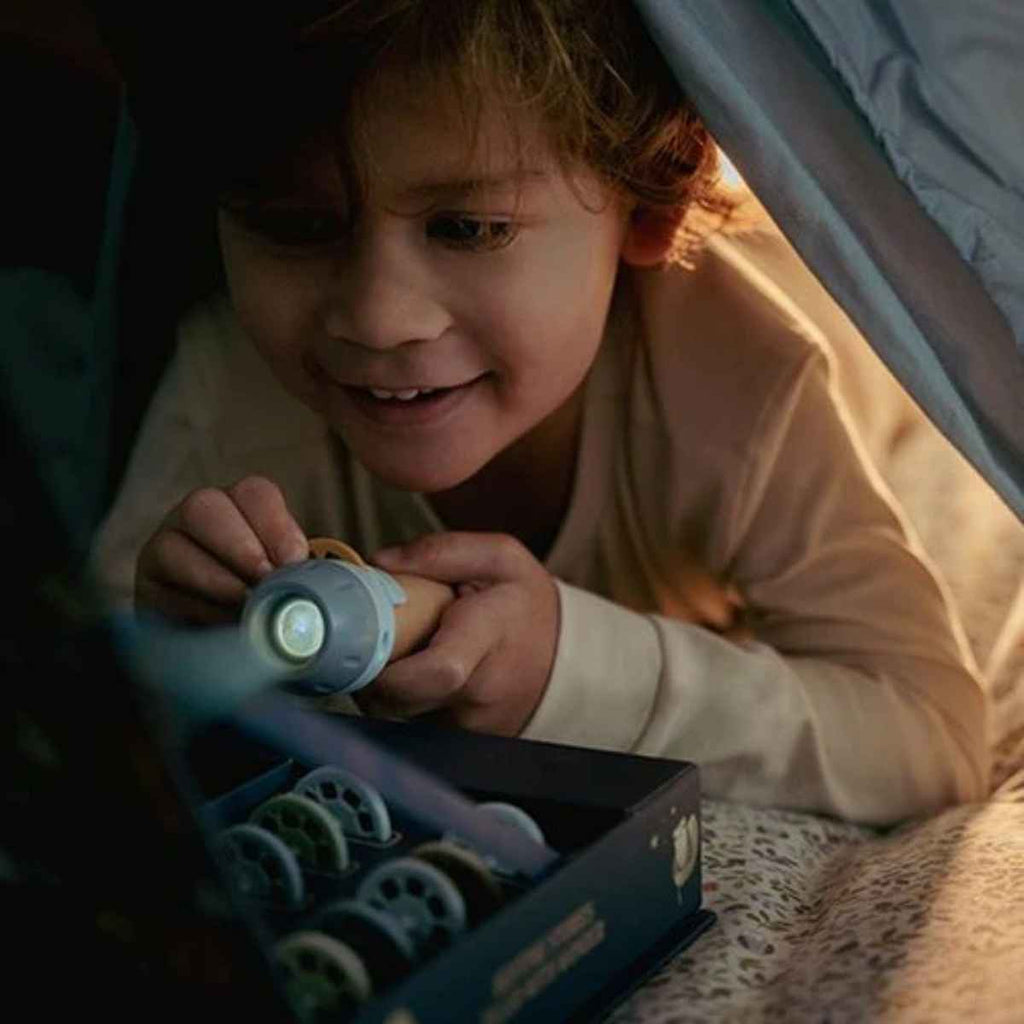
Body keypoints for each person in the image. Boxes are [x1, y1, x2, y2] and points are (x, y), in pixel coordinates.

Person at [90, 0, 988, 825]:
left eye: (469, 229)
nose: (377, 317)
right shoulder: (234, 378)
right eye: (294, 226)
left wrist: (574, 671)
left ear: (652, 200)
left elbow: (931, 739)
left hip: (852, 355)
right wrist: (176, 647)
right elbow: (78, 703)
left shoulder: (751, 387)